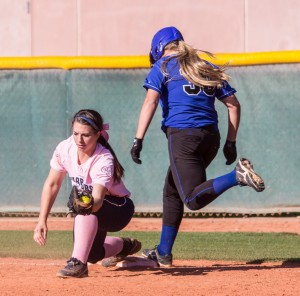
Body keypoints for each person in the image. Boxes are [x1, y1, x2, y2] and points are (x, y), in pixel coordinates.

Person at [130, 26, 265, 267]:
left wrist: (137, 139)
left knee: (192, 199)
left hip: (183, 137)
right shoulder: (204, 66)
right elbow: (233, 105)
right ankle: (163, 252)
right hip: (210, 137)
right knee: (172, 190)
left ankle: (237, 176)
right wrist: (230, 142)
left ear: (159, 48)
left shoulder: (161, 67)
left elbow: (150, 101)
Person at [34, 109, 141, 278]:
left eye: (86, 135)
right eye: (76, 133)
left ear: (98, 134)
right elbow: (52, 184)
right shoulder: (65, 148)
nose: (79, 140)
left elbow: (97, 197)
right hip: (94, 209)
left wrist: (88, 205)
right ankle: (126, 246)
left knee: (85, 205)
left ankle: (78, 264)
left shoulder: (103, 158)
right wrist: (42, 220)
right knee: (92, 254)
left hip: (118, 209)